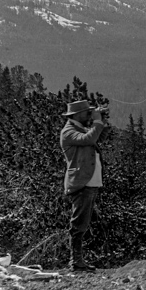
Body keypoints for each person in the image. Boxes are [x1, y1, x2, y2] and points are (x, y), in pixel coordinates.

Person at [60, 100, 110, 271]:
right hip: (81, 182)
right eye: (86, 113)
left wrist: (101, 120)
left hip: (89, 181)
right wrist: (96, 122)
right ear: (76, 115)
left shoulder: (79, 129)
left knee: (84, 221)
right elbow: (89, 138)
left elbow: (97, 137)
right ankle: (76, 261)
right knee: (79, 223)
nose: (89, 115)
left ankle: (78, 261)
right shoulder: (68, 132)